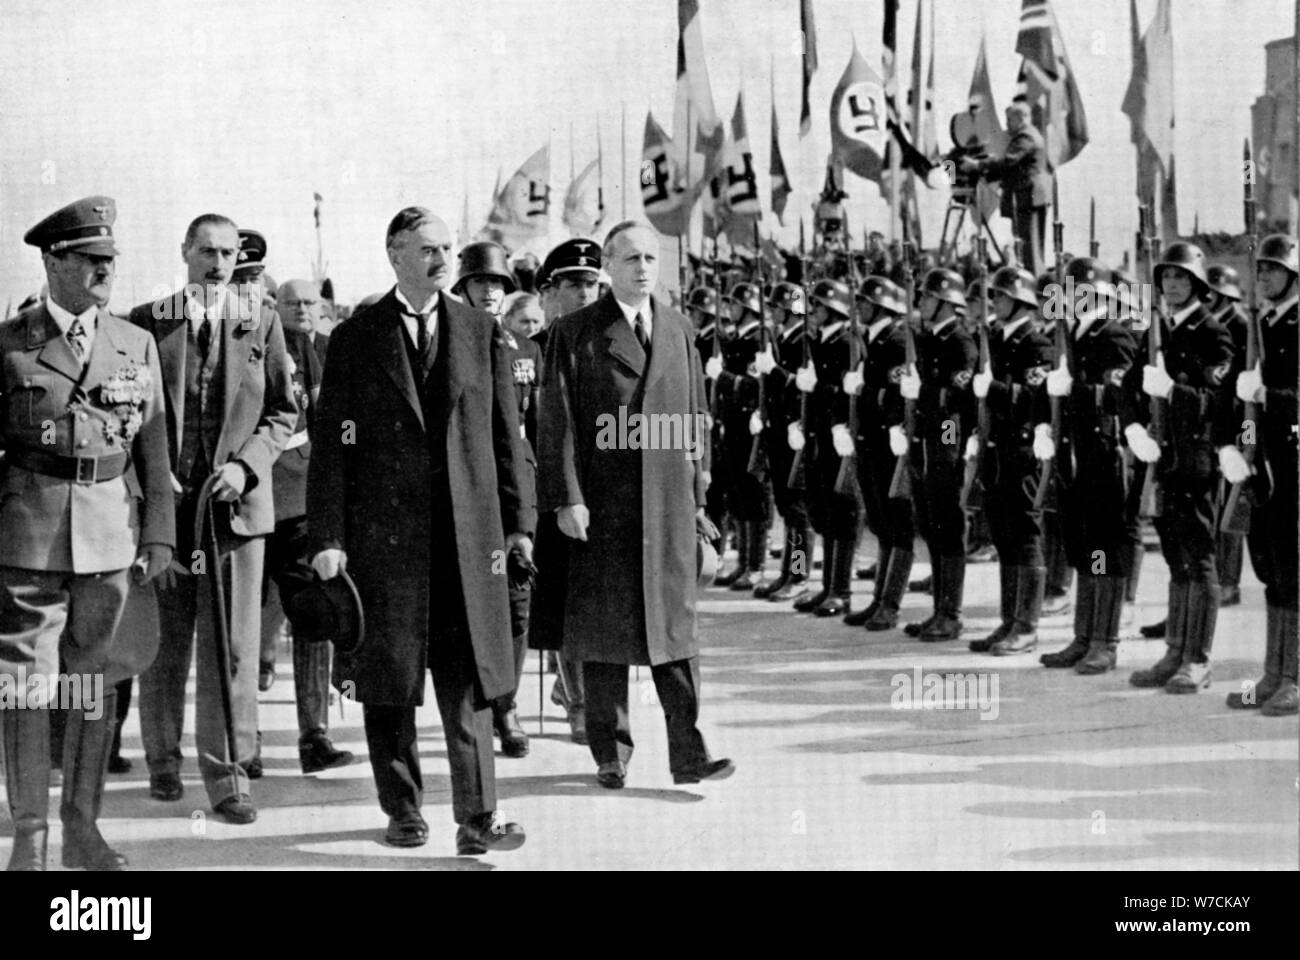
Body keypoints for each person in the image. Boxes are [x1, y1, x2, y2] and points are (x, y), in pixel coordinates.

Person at [308, 208, 533, 854]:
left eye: (447, 249)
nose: (442, 259)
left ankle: (478, 816)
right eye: (429, 249)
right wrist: (328, 536)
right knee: (389, 681)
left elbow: (505, 439)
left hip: (468, 544)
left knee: (470, 682)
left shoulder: (481, 332)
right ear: (396, 254)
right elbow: (332, 447)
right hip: (385, 545)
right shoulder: (356, 337)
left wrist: (518, 526)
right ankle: (403, 808)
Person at [1, 196, 174, 870]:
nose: (106, 271)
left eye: (111, 261)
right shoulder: (11, 342)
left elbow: (156, 451)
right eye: (92, 260)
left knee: (91, 687)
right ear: (54, 261)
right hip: (27, 538)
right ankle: (30, 836)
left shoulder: (135, 344)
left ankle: (82, 828)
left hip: (109, 540)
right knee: (24, 688)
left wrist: (159, 536)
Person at [537, 220, 733, 789]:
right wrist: (568, 498)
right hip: (606, 503)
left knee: (676, 631)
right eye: (630, 259)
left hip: (668, 505)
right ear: (609, 267)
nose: (643, 268)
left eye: (650, 258)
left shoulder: (678, 328)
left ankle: (689, 752)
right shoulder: (575, 333)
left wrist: (698, 499)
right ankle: (610, 752)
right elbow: (560, 424)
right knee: (605, 635)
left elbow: (696, 420)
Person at [130, 213, 297, 824]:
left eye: (228, 252)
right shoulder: (148, 321)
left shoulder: (262, 319)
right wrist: (151, 474)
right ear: (185, 252)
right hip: (168, 514)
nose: (218, 262)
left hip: (236, 513)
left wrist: (247, 468)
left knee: (232, 646)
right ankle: (163, 761)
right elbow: (125, 415)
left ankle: (227, 776)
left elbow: (282, 412)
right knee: (165, 645)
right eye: (206, 250)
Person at [1125, 242, 1235, 693]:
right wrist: (1132, 426)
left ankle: (1198, 658)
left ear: (1197, 285)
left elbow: (1221, 403)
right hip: (1162, 459)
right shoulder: (1157, 329)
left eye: (1180, 278)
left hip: (1196, 459)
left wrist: (1174, 392)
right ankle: (1174, 650)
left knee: (1200, 557)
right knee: (1174, 558)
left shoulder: (1212, 333)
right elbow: (1129, 386)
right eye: (1166, 278)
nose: (1171, 285)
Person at [258, 277, 354, 775]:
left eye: (310, 303)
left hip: (304, 503)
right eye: (292, 302)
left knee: (314, 615)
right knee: (247, 627)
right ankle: (243, 741)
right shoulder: (253, 346)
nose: (302, 310)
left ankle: (314, 735)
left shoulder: (330, 351)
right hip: (256, 501)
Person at [451, 240, 538, 759]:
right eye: (481, 283)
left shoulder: (523, 349)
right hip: (468, 487)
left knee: (518, 604)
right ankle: (481, 706)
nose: (490, 292)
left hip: (517, 485)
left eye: (499, 284)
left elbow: (540, 423)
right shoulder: (450, 340)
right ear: (462, 288)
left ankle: (507, 702)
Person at [1038, 258, 1140, 674]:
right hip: (1075, 455)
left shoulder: (1112, 333)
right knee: (1082, 545)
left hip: (1103, 455)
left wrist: (1073, 389)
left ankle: (1104, 639)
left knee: (1103, 546)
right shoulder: (1073, 334)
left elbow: (1115, 393)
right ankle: (1083, 635)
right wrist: (1043, 422)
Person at [530, 237, 602, 747]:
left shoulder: (606, 342)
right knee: (563, 601)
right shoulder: (526, 347)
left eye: (591, 283)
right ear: (546, 291)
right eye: (572, 284)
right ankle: (579, 703)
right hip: (544, 491)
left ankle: (571, 686)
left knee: (596, 603)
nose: (583, 293)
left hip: (601, 492)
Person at [1223, 235, 1298, 715]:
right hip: (1263, 463)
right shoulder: (1260, 323)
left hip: (1293, 461)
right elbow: (1239, 396)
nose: (1265, 275)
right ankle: (1274, 672)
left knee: (1294, 572)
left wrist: (1269, 395)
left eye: (1274, 268)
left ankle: (1294, 676)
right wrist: (1234, 444)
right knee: (1269, 571)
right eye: (1262, 268)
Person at [968, 267, 1055, 655]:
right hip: (995, 452)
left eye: (1000, 297)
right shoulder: (995, 339)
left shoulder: (1036, 344)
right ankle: (1009, 619)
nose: (993, 303)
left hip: (1021, 454)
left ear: (1020, 301)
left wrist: (997, 390)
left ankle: (1027, 624)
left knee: (1025, 538)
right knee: (1003, 538)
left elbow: (1034, 401)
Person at [900, 269, 978, 641]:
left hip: (946, 437)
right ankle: (938, 610)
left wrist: (947, 451)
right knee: (932, 525)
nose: (921, 303)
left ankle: (951, 612)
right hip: (927, 442)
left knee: (948, 524)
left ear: (947, 301)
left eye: (928, 298)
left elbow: (958, 401)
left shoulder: (960, 341)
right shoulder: (930, 338)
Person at [841, 276, 915, 629]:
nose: (858, 308)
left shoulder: (897, 340)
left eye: (865, 303)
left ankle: (890, 603)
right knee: (881, 521)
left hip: (890, 443)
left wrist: (866, 391)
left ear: (883, 306)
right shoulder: (874, 337)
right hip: (871, 441)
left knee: (897, 522)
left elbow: (896, 395)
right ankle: (878, 599)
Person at [789, 278, 862, 617]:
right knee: (822, 510)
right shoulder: (816, 341)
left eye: (816, 306)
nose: (811, 312)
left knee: (841, 510)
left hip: (839, 436)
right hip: (818, 435)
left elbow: (841, 392)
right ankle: (827, 585)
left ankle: (840, 589)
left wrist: (816, 388)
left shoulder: (847, 341)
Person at [752, 281, 813, 601]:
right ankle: (788, 571)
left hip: (795, 434)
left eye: (777, 307)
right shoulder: (784, 338)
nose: (773, 312)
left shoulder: (804, 340)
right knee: (787, 508)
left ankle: (799, 574)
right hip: (778, 431)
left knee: (798, 511)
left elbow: (800, 386)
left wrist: (774, 371)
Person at [962, 102, 1053, 277]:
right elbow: (1011, 167)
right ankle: (1032, 281)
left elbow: (1009, 162)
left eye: (1009, 120)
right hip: (1027, 197)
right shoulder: (1027, 136)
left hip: (1029, 197)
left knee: (1029, 249)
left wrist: (977, 165)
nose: (1006, 124)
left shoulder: (1026, 137)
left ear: (1021, 119)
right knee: (1026, 246)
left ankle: (1033, 285)